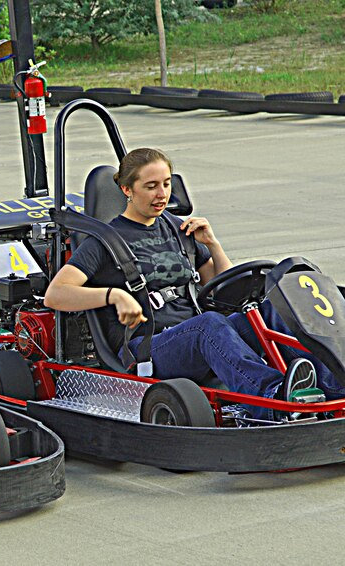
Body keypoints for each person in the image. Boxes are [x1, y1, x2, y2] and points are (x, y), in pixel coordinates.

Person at [43, 147, 343, 420]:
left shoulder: (178, 229)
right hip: (148, 347)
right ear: (127, 190)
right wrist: (114, 296)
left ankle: (333, 387)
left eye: (166, 184)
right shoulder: (103, 241)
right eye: (150, 186)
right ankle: (272, 398)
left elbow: (225, 288)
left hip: (198, 332)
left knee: (274, 310)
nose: (161, 194)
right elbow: (55, 295)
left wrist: (212, 245)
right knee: (208, 326)